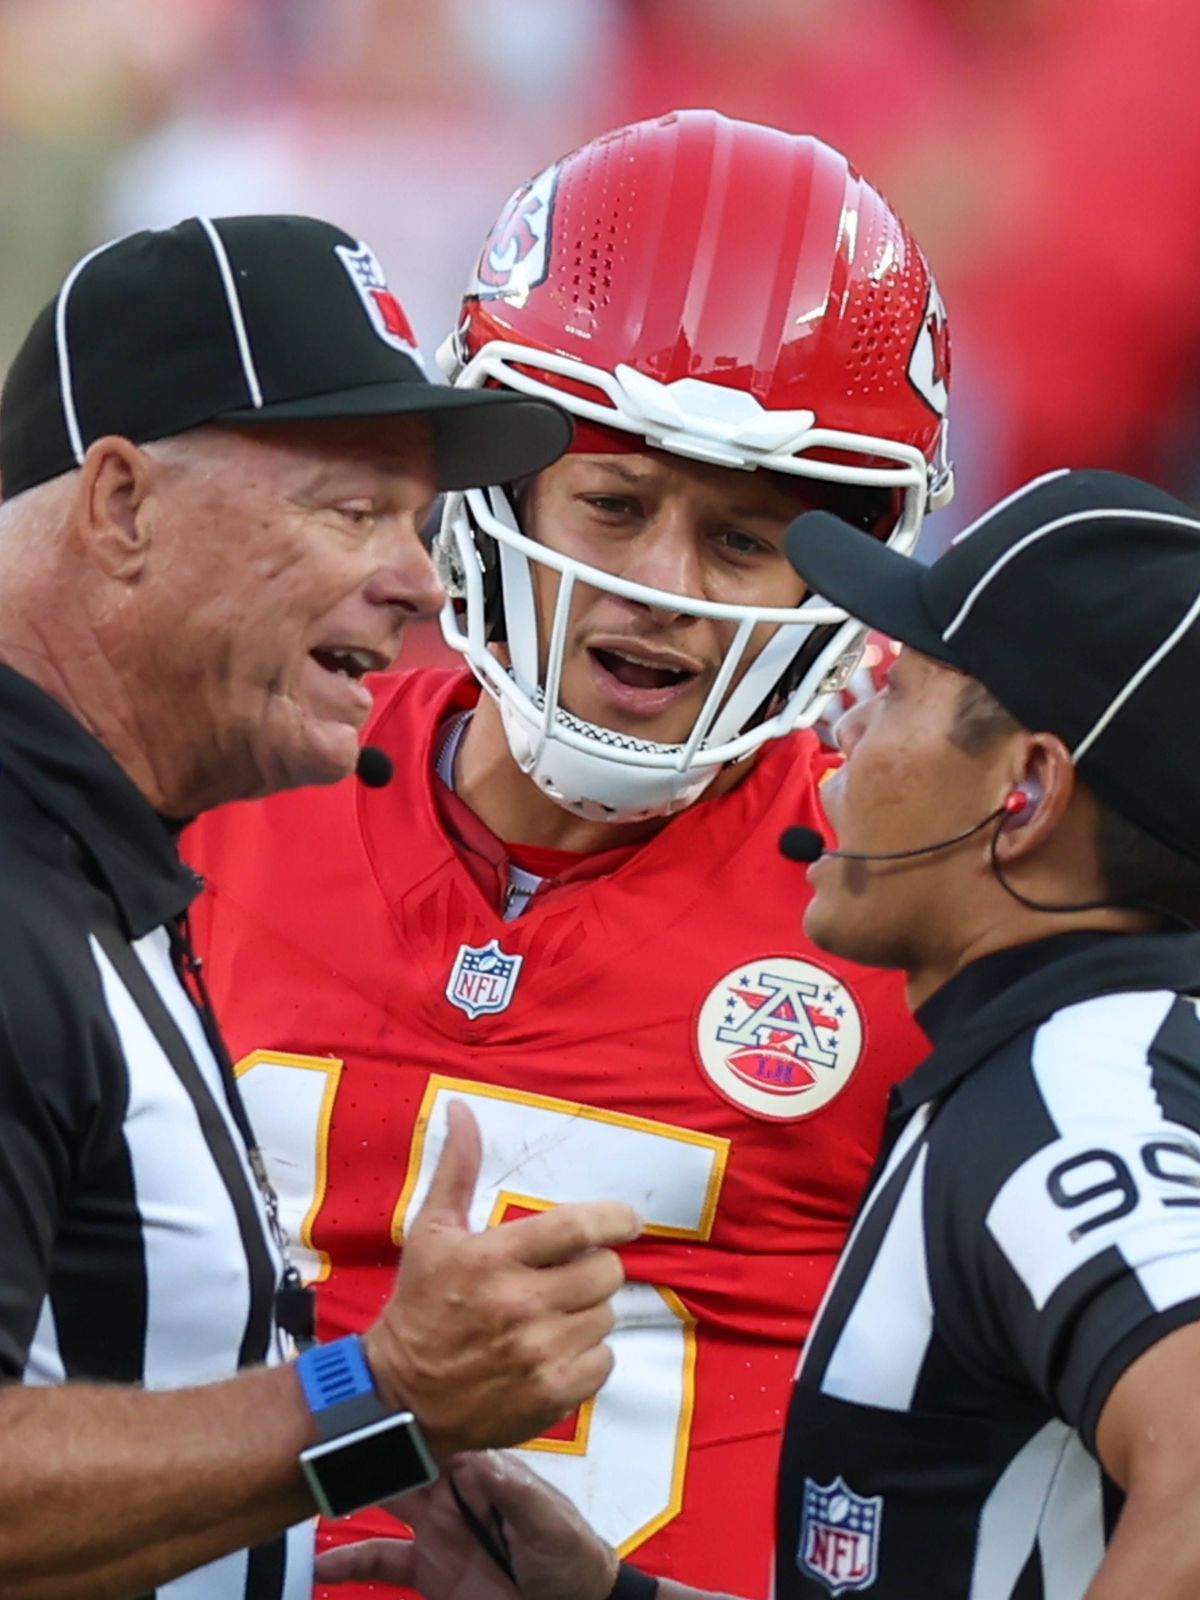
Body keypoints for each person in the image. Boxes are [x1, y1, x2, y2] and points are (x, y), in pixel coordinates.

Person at [183, 109, 954, 1598]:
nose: (662, 589)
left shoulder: (912, 897)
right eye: (614, 504)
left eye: (744, 540)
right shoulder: (232, 780)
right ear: (502, 481)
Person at [328, 466, 1200, 1600]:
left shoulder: (1077, 1095)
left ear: (1022, 796)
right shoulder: (1041, 1072)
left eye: (903, 693)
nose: (851, 722)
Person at [0, 212, 645, 1600]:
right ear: (121, 504)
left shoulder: (99, 858)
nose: (417, 580)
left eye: (416, 522)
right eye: (350, 509)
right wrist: (375, 1395)